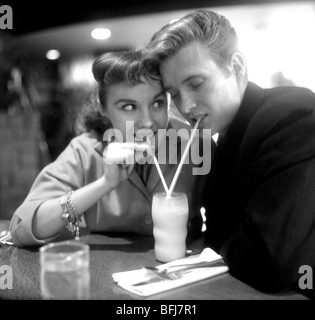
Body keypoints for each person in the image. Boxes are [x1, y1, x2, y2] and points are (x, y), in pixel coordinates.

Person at [145, 9, 315, 297]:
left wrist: (220, 244)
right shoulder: (223, 137)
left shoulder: (290, 116)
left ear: (236, 68)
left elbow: (266, 261)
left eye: (196, 84)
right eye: (174, 94)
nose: (186, 106)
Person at [9, 50, 205, 247]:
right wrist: (104, 184)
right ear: (104, 109)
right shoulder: (84, 151)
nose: (148, 122)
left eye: (157, 103)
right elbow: (22, 228)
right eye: (129, 107)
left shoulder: (195, 144)